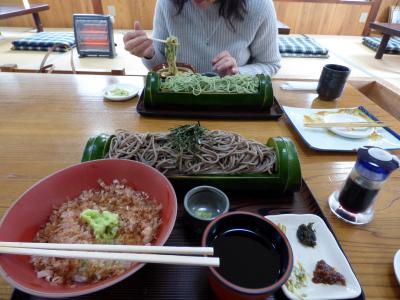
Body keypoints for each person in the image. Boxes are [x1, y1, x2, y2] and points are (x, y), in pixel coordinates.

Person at [123, 0, 281, 77]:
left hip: (231, 98)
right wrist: (149, 53)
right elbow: (159, 66)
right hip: (179, 97)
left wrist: (238, 72)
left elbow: (270, 64)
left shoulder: (259, 6)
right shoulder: (167, 3)